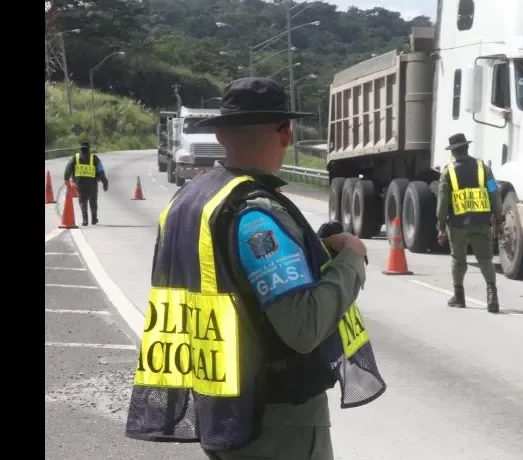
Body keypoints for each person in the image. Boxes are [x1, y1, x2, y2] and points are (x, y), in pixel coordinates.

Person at [124, 77, 386, 460]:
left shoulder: (193, 199)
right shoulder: (255, 213)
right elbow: (303, 327)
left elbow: (232, 276)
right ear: (286, 133)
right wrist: (349, 257)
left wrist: (311, 250)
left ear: (220, 133)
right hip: (277, 421)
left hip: (224, 406)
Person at [436, 133, 504, 313]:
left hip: (458, 225)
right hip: (482, 222)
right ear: (466, 148)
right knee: (485, 259)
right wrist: (498, 218)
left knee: (458, 261)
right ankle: (492, 296)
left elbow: (442, 202)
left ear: (453, 152)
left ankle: (459, 297)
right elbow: (494, 193)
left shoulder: (448, 172)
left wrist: (441, 227)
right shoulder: (484, 168)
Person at [63, 141, 108, 226]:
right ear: (89, 149)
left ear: (80, 149)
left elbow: (68, 168)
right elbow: (101, 171)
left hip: (80, 183)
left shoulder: (75, 158)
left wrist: (66, 179)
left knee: (82, 201)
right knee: (93, 201)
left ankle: (85, 220)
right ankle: (94, 219)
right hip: (92, 183)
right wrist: (105, 182)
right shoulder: (94, 158)